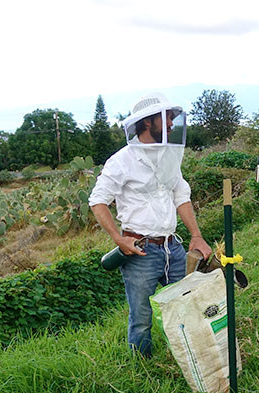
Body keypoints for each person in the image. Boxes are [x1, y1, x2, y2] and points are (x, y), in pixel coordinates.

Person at [89, 93, 212, 357]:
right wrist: (118, 239)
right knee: (141, 317)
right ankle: (142, 366)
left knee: (184, 306)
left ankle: (189, 359)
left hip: (173, 248)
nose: (171, 124)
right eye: (166, 118)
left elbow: (181, 196)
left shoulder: (169, 156)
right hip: (140, 251)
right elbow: (98, 201)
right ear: (148, 121)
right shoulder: (122, 161)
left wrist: (196, 235)